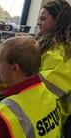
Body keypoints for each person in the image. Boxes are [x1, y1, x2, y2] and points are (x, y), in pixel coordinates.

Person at [36, 0, 71, 129]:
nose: (39, 23)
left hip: (52, 119)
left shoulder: (57, 55)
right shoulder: (57, 47)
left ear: (58, 21)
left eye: (43, 19)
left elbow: (39, 94)